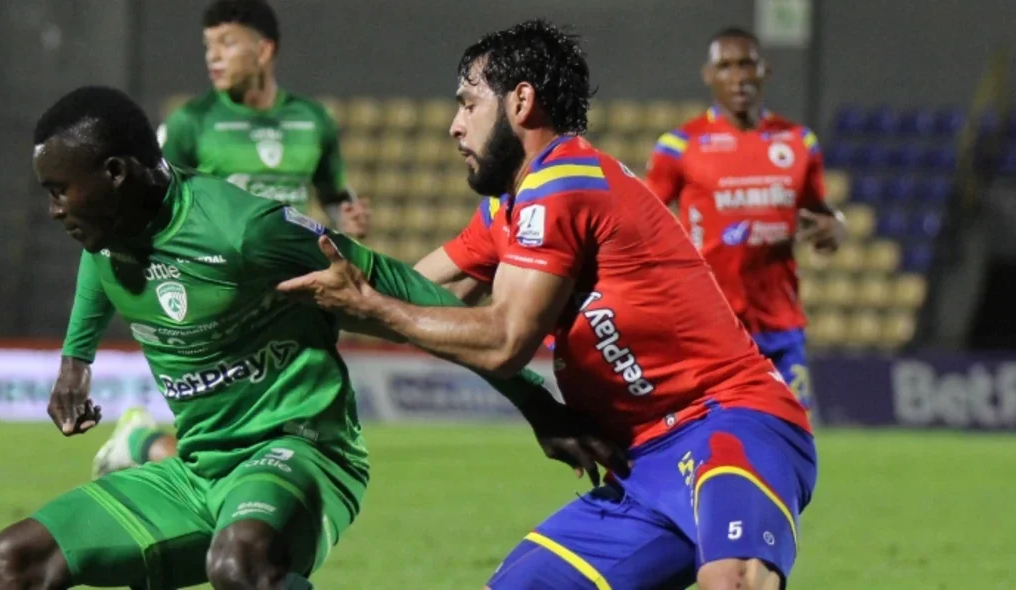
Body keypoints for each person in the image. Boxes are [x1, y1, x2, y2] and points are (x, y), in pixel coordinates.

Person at [0, 85, 620, 590]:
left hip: (303, 451)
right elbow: (101, 262)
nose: (55, 210)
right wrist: (73, 364)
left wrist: (536, 401)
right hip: (198, 469)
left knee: (240, 564)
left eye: (61, 191)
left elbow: (397, 288)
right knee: (11, 564)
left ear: (116, 173)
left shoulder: (243, 232)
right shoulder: (109, 230)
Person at [278, 20, 817, 590]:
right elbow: (414, 298)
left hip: (726, 423)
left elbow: (502, 342)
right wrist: (296, 296)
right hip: (639, 467)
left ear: (522, 101)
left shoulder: (566, 181)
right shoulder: (507, 210)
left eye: (467, 104)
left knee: (733, 580)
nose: (454, 126)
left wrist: (369, 304)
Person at [97, 0, 373, 476]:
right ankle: (145, 444)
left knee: (272, 444)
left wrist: (346, 218)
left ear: (264, 50)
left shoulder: (313, 120)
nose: (213, 56)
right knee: (241, 451)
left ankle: (142, 442)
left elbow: (333, 194)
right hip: (221, 295)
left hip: (294, 292)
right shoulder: (190, 123)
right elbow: (151, 204)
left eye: (227, 43)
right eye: (208, 46)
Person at [644, 27, 845, 413]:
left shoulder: (798, 142)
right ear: (708, 75)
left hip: (780, 326)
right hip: (709, 326)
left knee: (791, 436)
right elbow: (643, 219)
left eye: (746, 64)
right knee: (717, 436)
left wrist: (836, 226)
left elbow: (821, 215)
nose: (737, 77)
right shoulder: (680, 146)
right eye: (725, 66)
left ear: (764, 70)